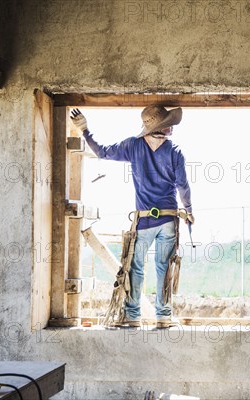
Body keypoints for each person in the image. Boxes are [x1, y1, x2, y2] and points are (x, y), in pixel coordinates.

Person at [70, 105, 194, 328]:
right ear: (162, 128)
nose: (172, 127)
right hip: (168, 220)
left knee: (135, 267)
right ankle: (164, 317)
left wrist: (85, 130)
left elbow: (102, 152)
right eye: (169, 124)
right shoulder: (175, 152)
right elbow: (183, 186)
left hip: (143, 221)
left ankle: (132, 316)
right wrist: (189, 209)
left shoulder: (133, 146)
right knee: (164, 267)